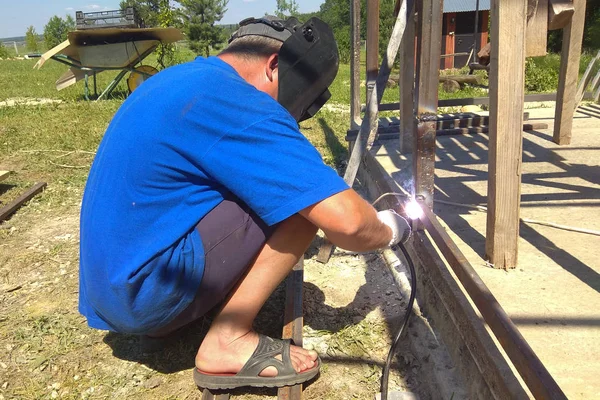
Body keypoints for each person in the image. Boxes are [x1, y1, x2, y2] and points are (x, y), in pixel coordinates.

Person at [78, 15, 410, 390]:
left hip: (110, 290)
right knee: (302, 203)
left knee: (264, 185)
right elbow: (347, 223)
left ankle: (169, 320)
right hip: (142, 295)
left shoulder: (181, 79)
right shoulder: (238, 99)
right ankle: (228, 339)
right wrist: (392, 228)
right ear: (273, 66)